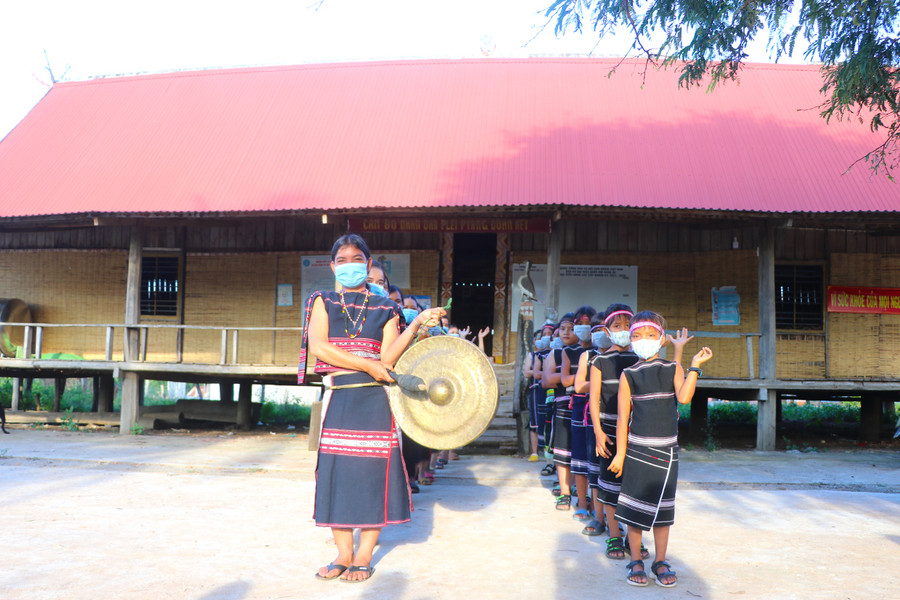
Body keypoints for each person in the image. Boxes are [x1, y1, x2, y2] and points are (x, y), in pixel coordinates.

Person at [303, 234, 446, 582]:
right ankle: (343, 553)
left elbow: (386, 358)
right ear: (333, 264)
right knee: (336, 473)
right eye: (342, 259)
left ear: (368, 265)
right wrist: (366, 365)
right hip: (341, 397)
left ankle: (364, 555)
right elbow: (319, 346)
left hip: (375, 402)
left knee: (371, 476)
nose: (349, 264)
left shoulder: (387, 309)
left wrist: (414, 324)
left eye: (357, 259)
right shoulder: (321, 300)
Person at [609, 311, 712, 588]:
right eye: (637, 336)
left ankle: (660, 560)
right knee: (633, 508)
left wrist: (693, 365)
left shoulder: (672, 369)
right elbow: (622, 418)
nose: (643, 340)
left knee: (662, 510)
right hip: (637, 450)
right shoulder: (628, 374)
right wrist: (619, 454)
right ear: (630, 341)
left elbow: (685, 398)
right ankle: (636, 560)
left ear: (661, 338)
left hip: (666, 452)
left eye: (650, 335)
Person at [561, 305, 597, 523]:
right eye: (579, 324)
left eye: (589, 325)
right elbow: (569, 383)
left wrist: (580, 382)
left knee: (596, 457)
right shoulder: (570, 352)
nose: (584, 328)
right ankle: (582, 502)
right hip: (578, 406)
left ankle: (596, 503)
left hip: (597, 406)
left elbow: (573, 382)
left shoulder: (602, 352)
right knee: (580, 456)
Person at [543, 313, 579, 510]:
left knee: (579, 450)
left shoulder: (585, 352)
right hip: (563, 406)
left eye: (571, 328)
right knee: (562, 449)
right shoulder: (555, 354)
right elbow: (548, 379)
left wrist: (565, 376)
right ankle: (565, 491)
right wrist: (576, 375)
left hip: (583, 406)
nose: (566, 332)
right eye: (563, 328)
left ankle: (575, 486)